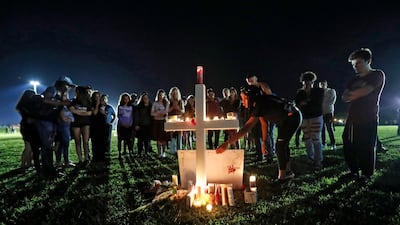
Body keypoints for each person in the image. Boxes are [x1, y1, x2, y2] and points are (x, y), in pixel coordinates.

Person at [217, 85, 302, 182]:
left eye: (244, 98)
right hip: (291, 116)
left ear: (251, 97)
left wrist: (228, 143)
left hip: (292, 118)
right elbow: (264, 123)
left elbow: (246, 128)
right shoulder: (261, 102)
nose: (243, 102)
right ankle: (287, 171)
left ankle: (283, 176)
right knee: (283, 145)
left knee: (280, 146)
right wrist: (264, 141)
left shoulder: (259, 104)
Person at [342, 48, 385, 185]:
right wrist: (355, 94)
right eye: (354, 65)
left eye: (359, 63)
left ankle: (366, 174)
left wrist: (354, 94)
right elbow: (344, 97)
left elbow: (366, 91)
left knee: (366, 146)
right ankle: (353, 171)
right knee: (348, 144)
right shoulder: (353, 80)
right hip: (353, 117)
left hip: (369, 116)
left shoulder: (377, 75)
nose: (356, 67)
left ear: (368, 61)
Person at [295, 71, 324, 171]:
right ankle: (310, 159)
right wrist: (307, 102)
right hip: (305, 117)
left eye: (308, 82)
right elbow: (297, 103)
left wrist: (305, 102)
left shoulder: (318, 91)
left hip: (316, 116)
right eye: (305, 82)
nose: (307, 84)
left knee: (315, 139)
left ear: (312, 82)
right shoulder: (300, 92)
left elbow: (317, 103)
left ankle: (318, 161)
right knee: (307, 139)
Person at [246, 74, 274, 162]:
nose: (250, 82)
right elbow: (248, 104)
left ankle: (269, 155)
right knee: (256, 136)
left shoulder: (262, 86)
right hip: (254, 114)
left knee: (266, 135)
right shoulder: (249, 90)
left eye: (252, 80)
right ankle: (259, 154)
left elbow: (270, 96)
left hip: (264, 113)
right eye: (249, 81)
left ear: (256, 79)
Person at [319, 80, 337, 150]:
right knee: (322, 129)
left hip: (328, 112)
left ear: (326, 84)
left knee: (329, 128)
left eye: (323, 84)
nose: (322, 86)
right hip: (321, 112)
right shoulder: (319, 93)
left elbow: (332, 101)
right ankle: (323, 143)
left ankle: (333, 144)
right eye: (321, 84)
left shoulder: (331, 91)